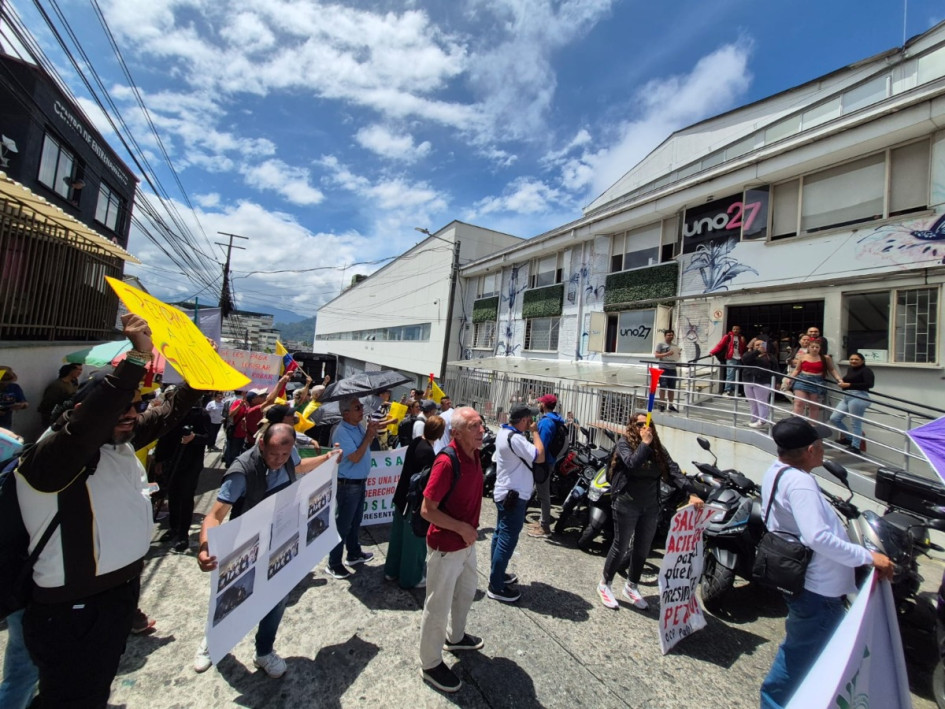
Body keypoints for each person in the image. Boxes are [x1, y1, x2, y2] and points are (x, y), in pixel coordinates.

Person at [15, 314, 202, 707]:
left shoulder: (117, 442)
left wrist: (199, 378)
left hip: (115, 597)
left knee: (93, 691)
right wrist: (137, 357)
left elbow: (164, 413)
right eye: (120, 408)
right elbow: (90, 424)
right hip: (72, 609)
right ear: (84, 408)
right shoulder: (54, 456)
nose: (131, 415)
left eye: (134, 407)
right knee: (69, 698)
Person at [759, 416, 893, 708]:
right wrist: (867, 557)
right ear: (810, 450)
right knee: (799, 656)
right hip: (817, 589)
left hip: (810, 583)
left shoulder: (777, 470)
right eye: (820, 445)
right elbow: (817, 537)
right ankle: (774, 703)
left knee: (810, 653)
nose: (823, 450)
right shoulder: (801, 483)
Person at [194, 424, 341, 676]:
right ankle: (213, 642)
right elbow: (215, 515)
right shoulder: (242, 471)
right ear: (261, 444)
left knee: (277, 597)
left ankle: (264, 651)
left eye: (285, 455)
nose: (279, 460)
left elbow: (298, 468)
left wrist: (326, 459)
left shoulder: (288, 456)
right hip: (244, 543)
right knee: (231, 597)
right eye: (274, 454)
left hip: (280, 538)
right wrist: (204, 547)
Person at [597, 413, 702, 611]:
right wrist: (644, 444)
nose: (645, 428)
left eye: (648, 424)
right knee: (620, 546)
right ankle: (605, 584)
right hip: (626, 503)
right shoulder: (624, 444)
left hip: (650, 505)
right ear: (632, 426)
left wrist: (691, 493)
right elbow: (631, 463)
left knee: (642, 548)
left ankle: (632, 585)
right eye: (639, 424)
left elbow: (673, 471)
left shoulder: (658, 450)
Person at [418, 407, 485, 694]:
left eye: (481, 424)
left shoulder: (476, 452)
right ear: (456, 432)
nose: (481, 430)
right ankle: (430, 663)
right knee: (437, 606)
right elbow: (426, 510)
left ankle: (456, 637)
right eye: (474, 426)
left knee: (467, 591)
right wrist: (460, 528)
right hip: (447, 545)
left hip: (466, 543)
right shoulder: (447, 462)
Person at [488, 404, 545, 603]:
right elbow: (540, 456)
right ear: (523, 420)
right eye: (530, 419)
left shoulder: (504, 432)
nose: (532, 422)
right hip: (513, 495)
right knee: (507, 538)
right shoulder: (516, 438)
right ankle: (496, 586)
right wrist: (536, 433)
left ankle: (497, 573)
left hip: (505, 491)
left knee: (499, 533)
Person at [385, 415, 445, 589]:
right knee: (414, 542)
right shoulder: (428, 453)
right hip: (413, 502)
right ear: (439, 434)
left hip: (401, 496)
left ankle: (392, 570)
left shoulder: (416, 442)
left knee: (397, 538)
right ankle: (411, 577)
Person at [324, 396, 380, 579]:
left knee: (355, 522)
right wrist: (369, 436)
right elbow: (355, 457)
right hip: (347, 485)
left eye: (360, 406)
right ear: (345, 412)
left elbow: (363, 448)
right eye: (357, 407)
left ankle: (354, 553)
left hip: (359, 482)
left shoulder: (357, 426)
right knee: (343, 525)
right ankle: (334, 563)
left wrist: (369, 434)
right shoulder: (341, 432)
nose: (361, 410)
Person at [159, 402, 212, 553]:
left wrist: (194, 437)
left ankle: (183, 535)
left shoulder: (201, 414)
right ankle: (173, 528)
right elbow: (164, 436)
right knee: (173, 496)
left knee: (186, 497)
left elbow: (208, 437)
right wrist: (159, 459)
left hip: (191, 464)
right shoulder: (172, 412)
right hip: (171, 461)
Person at [528, 393, 564, 539]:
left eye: (540, 403)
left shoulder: (546, 423)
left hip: (543, 462)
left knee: (543, 495)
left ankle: (545, 527)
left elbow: (540, 446)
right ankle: (542, 521)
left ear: (544, 405)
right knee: (540, 491)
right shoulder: (555, 420)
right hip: (550, 461)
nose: (539, 405)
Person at [829, 352, 875, 453]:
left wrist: (849, 385)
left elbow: (869, 384)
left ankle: (855, 446)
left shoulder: (866, 370)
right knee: (834, 418)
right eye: (851, 359)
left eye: (856, 359)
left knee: (855, 423)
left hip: (858, 396)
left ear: (862, 361)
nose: (853, 361)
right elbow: (846, 380)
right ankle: (849, 438)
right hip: (847, 396)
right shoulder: (850, 369)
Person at [787, 339, 843, 421]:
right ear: (808, 348)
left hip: (817, 381)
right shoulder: (802, 357)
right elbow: (797, 369)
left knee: (813, 405)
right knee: (799, 402)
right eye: (812, 347)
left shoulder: (825, 358)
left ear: (820, 348)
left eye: (817, 347)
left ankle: (812, 424)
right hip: (803, 379)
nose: (814, 349)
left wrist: (839, 379)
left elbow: (832, 369)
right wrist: (790, 378)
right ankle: (796, 422)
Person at [741, 338, 781, 428]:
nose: (759, 347)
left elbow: (776, 369)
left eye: (762, 345)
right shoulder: (750, 354)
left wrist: (778, 381)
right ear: (753, 346)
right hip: (748, 380)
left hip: (763, 382)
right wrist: (757, 352)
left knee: (762, 402)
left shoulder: (770, 357)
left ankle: (762, 420)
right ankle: (754, 419)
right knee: (752, 402)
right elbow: (745, 360)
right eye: (757, 345)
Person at [37, 363, 82, 428]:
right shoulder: (57, 385)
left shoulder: (72, 383)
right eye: (79, 369)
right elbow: (48, 402)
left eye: (81, 370)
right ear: (71, 370)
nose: (80, 372)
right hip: (53, 416)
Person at [710, 325, 747, 396]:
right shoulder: (728, 337)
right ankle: (727, 390)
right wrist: (712, 352)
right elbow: (720, 345)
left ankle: (733, 390)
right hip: (731, 358)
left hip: (739, 358)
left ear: (740, 330)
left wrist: (743, 342)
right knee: (730, 375)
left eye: (737, 329)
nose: (735, 330)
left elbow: (743, 349)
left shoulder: (740, 338)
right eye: (734, 329)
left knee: (737, 376)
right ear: (732, 330)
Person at [654, 329, 681, 412]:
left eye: (672, 335)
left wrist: (678, 354)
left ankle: (671, 405)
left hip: (672, 368)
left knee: (671, 388)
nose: (671, 336)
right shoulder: (660, 344)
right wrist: (667, 354)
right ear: (665, 336)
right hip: (663, 368)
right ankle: (662, 404)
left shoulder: (675, 345)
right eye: (669, 335)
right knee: (663, 387)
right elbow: (656, 355)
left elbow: (677, 357)